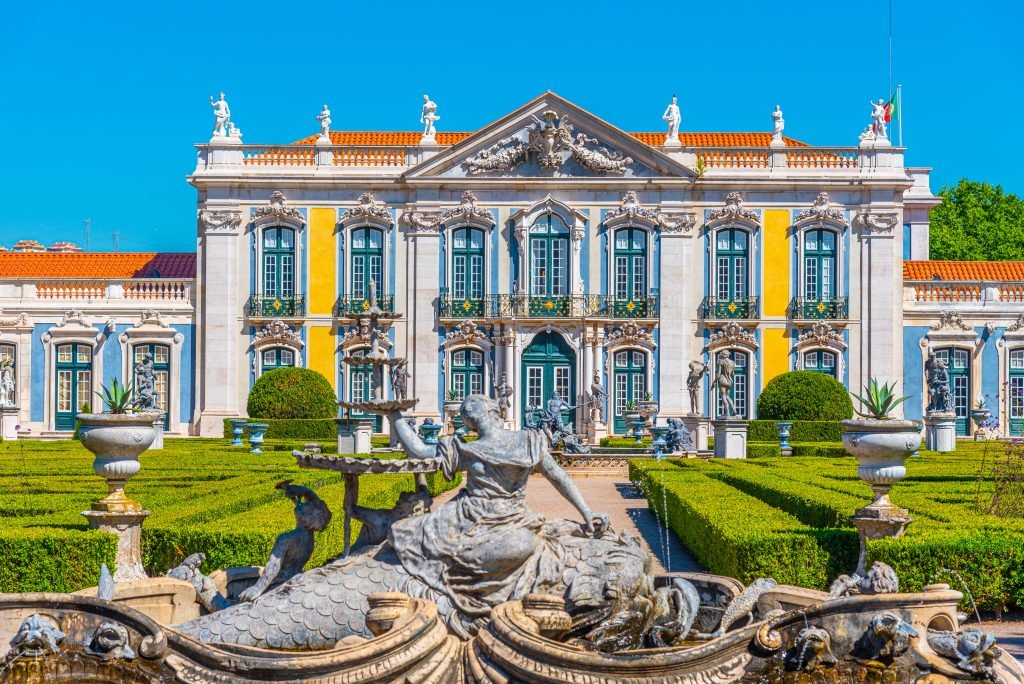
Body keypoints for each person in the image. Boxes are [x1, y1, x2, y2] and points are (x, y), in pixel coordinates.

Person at [389, 395, 610, 633]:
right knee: (399, 532)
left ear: (487, 412)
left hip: (510, 519)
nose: (467, 414)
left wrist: (587, 511)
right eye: (465, 412)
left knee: (520, 545)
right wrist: (394, 415)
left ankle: (465, 598)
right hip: (465, 516)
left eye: (469, 410)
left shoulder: (527, 441)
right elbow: (420, 451)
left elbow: (557, 476)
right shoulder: (467, 448)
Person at [715, 351, 736, 418]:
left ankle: (727, 413)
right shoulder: (732, 362)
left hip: (722, 379)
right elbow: (733, 374)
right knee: (728, 396)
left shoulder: (721, 361)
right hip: (729, 381)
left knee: (723, 396)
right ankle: (734, 410)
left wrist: (714, 382)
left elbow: (718, 373)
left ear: (724, 355)